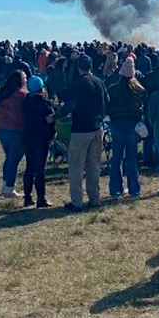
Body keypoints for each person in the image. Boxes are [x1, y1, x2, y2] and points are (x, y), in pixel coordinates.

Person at [55, 55, 109, 212]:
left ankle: (77, 202)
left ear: (79, 67)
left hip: (81, 130)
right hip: (97, 128)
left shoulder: (79, 83)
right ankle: (95, 199)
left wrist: (56, 115)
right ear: (91, 66)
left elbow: (71, 104)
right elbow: (107, 99)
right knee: (94, 165)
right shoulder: (99, 82)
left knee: (76, 166)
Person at [106, 58, 145, 198]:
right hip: (132, 125)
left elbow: (108, 107)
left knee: (116, 157)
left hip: (116, 124)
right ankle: (134, 189)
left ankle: (115, 189)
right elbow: (142, 108)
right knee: (131, 158)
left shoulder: (112, 89)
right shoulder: (137, 91)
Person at [0, 69, 28, 198]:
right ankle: (9, 189)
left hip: (2, 130)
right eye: (25, 78)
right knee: (14, 160)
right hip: (17, 130)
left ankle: (5, 184)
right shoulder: (23, 95)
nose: (26, 80)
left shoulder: (3, 93)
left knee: (9, 158)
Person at [20, 75, 55, 208]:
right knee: (40, 169)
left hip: (28, 137)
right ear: (41, 88)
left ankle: (27, 197)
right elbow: (50, 120)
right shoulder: (45, 104)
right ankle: (41, 198)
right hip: (41, 139)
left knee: (29, 167)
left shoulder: (25, 102)